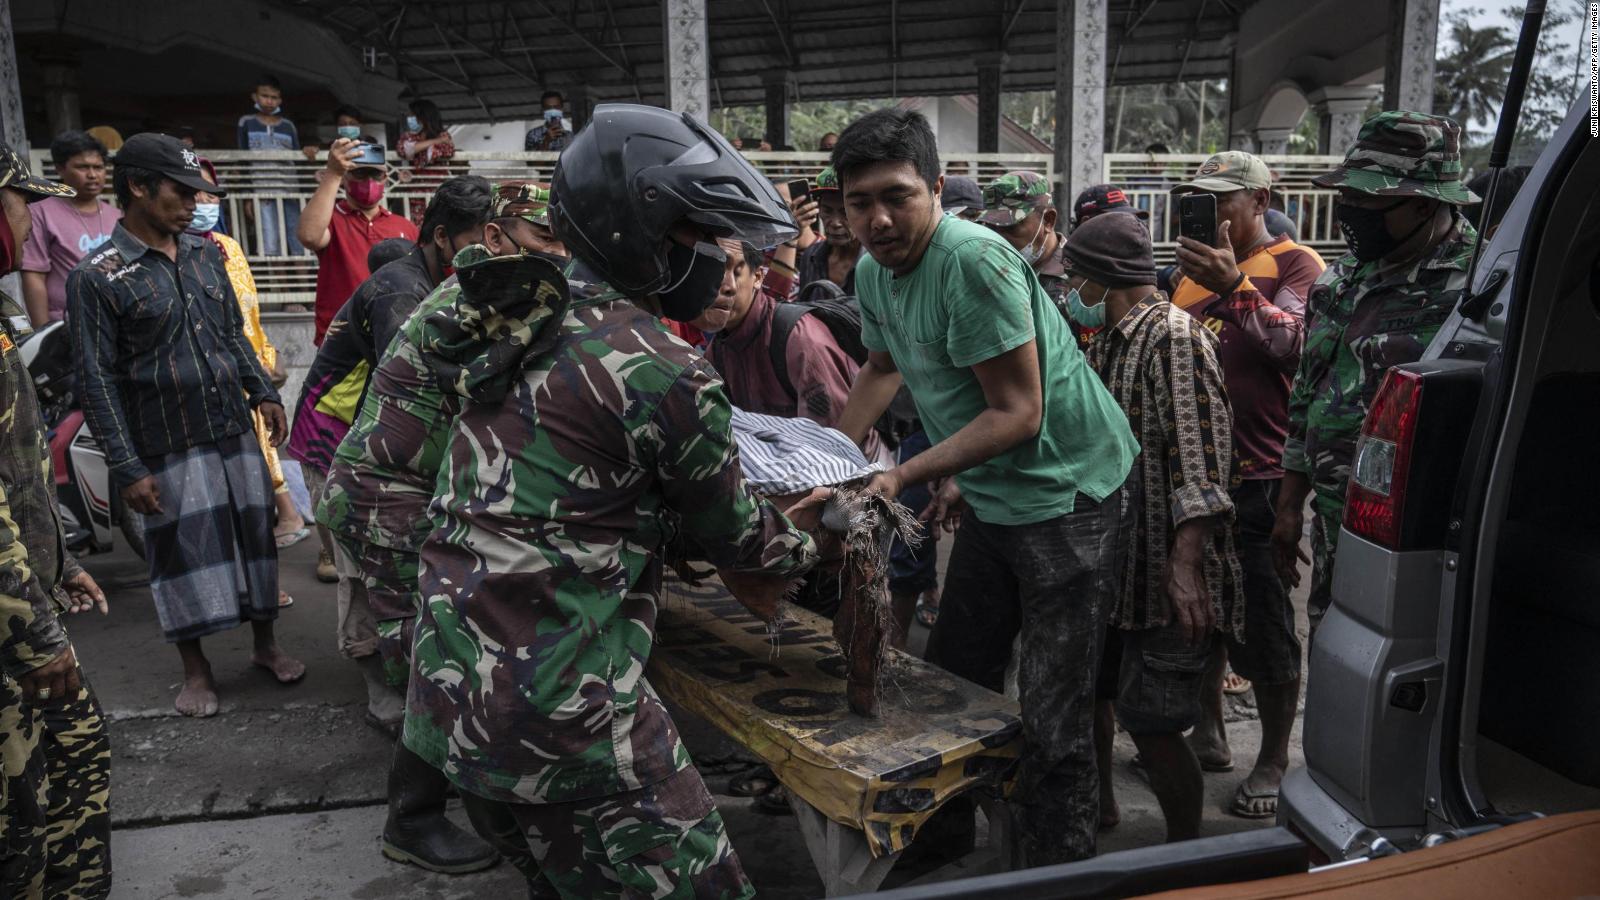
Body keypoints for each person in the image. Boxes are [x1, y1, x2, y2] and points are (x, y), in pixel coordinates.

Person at [403, 103, 821, 898]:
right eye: (703, 238)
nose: (719, 259)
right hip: (561, 712)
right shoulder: (662, 366)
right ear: (645, 232)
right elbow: (740, 537)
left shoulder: (521, 312)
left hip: (451, 689)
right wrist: (813, 535)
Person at [830, 109, 1138, 866]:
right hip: (996, 495)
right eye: (858, 201)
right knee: (953, 685)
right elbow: (880, 368)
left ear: (937, 187)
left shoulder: (974, 261)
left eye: (896, 196)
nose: (877, 219)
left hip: (1070, 499)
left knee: (1051, 715)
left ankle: (1053, 873)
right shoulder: (872, 271)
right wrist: (833, 465)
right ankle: (941, 843)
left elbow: (1019, 412)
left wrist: (900, 473)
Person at [315, 184, 548, 877]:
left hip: (404, 493)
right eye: (544, 243)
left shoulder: (490, 295)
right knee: (434, 664)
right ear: (498, 240)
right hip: (388, 501)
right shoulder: (472, 301)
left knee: (439, 656)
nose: (557, 258)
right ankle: (416, 821)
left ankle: (466, 817)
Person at [68, 133, 304, 718]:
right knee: (180, 553)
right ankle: (195, 671)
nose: (193, 203)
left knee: (254, 540)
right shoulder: (98, 276)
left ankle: (265, 646)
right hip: (165, 440)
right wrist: (126, 466)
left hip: (231, 424)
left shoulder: (205, 253)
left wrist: (261, 391)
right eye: (181, 191)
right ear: (139, 188)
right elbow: (95, 379)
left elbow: (229, 332)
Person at [1060, 212, 1243, 843]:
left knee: (1156, 723)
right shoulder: (1108, 341)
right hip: (1118, 568)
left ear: (1100, 279)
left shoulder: (1173, 337)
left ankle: (1184, 848)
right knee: (1093, 696)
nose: (1067, 292)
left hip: (1166, 576)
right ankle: (1101, 807)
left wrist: (1185, 564)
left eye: (1073, 278)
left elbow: (1203, 463)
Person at [289, 174, 490, 712]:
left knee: (385, 563)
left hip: (363, 436)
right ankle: (381, 687)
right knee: (366, 565)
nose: (489, 253)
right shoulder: (402, 292)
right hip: (340, 438)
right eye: (479, 240)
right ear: (443, 236)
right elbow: (412, 391)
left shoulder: (433, 282)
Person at [1166, 149, 1326, 821]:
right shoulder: (1186, 272)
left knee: (1264, 625)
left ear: (1261, 200)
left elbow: (1293, 345)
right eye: (1201, 199)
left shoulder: (1298, 265)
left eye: (1224, 198)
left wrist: (1234, 287)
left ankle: (1272, 755)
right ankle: (1208, 726)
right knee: (1199, 615)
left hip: (1261, 476)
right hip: (1194, 474)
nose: (1212, 211)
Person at [1274, 111, 1480, 635]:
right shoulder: (1342, 278)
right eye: (1349, 197)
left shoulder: (1477, 290)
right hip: (1333, 524)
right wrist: (1290, 503)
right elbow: (1308, 390)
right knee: (1333, 649)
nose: (1352, 211)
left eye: (1368, 201)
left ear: (1423, 202)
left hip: (1414, 543)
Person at [0, 139, 113, 900]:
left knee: (74, 773)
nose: (25, 219)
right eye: (15, 201)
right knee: (22, 827)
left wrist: (55, 557)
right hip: (13, 634)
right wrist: (31, 627)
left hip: (23, 604)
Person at [192, 159, 309, 589]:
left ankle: (279, 528)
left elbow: (247, 310)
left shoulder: (227, 246)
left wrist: (265, 355)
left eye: (210, 193)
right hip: (213, 374)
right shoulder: (181, 253)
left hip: (248, 364)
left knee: (261, 447)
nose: (205, 201)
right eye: (195, 193)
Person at [297, 138, 419, 345]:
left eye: (375, 175)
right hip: (341, 341)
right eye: (360, 174)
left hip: (392, 338)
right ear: (346, 177)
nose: (368, 181)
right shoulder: (331, 219)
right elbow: (310, 236)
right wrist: (333, 173)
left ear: (386, 179)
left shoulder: (404, 226)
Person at [19, 130, 121, 326]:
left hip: (115, 321)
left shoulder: (116, 215)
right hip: (67, 324)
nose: (92, 175)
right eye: (82, 167)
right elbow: (34, 277)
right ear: (60, 168)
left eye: (99, 167)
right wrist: (44, 335)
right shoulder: (41, 213)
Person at [236, 74, 303, 256]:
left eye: (274, 97)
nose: (269, 101)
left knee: (297, 240)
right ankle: (278, 285)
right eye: (265, 96)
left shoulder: (288, 126)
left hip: (290, 191)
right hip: (261, 190)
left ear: (280, 100)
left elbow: (297, 158)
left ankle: (303, 284)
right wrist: (247, 195)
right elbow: (244, 161)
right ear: (255, 97)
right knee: (270, 241)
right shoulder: (246, 123)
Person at [794, 166, 861, 294]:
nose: (835, 223)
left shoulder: (879, 262)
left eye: (845, 213)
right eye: (827, 211)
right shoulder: (811, 257)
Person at [397, 99, 456, 225]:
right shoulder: (409, 136)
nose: (409, 118)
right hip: (416, 194)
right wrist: (434, 142)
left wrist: (421, 147)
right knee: (417, 229)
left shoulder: (442, 134)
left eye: (412, 115)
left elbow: (447, 150)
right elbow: (405, 150)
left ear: (423, 116)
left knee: (439, 226)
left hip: (438, 193)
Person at [301, 104, 368, 161]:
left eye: (352, 123)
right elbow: (317, 149)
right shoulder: (331, 146)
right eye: (342, 124)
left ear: (360, 125)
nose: (347, 127)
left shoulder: (368, 145)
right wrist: (311, 149)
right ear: (337, 127)